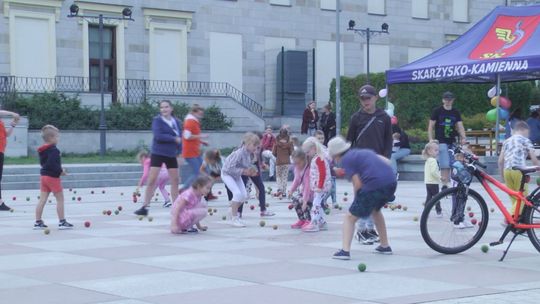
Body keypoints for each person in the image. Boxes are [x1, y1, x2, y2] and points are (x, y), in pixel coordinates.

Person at [329, 136, 396, 260]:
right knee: (376, 211)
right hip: (391, 182)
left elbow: (357, 183)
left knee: (349, 217)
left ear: (336, 155)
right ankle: (384, 246)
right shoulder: (362, 152)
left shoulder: (346, 160)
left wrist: (357, 203)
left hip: (374, 186)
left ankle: (345, 251)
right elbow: (387, 161)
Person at [346, 84, 392, 245]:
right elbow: (349, 142)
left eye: (368, 98)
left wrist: (386, 160)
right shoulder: (356, 118)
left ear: (375, 98)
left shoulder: (384, 117)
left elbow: (388, 141)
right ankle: (361, 230)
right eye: (362, 99)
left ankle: (370, 229)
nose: (366, 102)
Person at [134, 100, 182, 216]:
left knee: (175, 180)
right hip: (158, 153)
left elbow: (180, 138)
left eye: (166, 107)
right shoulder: (157, 121)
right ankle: (145, 207)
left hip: (171, 154)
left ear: (171, 108)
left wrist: (180, 152)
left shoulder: (177, 122)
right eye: (162, 107)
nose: (164, 109)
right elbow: (158, 135)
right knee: (152, 179)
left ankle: (176, 207)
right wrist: (173, 139)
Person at [34, 125, 73, 230]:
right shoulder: (54, 150)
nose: (58, 138)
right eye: (57, 136)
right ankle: (62, 222)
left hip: (44, 176)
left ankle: (38, 222)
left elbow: (44, 163)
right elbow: (53, 164)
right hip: (52, 178)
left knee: (42, 200)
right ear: (51, 138)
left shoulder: (42, 150)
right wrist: (61, 172)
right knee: (60, 199)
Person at [498, 121, 540, 217]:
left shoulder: (506, 141)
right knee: (523, 197)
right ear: (523, 130)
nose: (528, 135)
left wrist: (502, 177)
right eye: (528, 133)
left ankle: (516, 220)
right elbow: (534, 159)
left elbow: (500, 161)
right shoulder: (525, 140)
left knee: (514, 197)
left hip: (507, 171)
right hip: (519, 171)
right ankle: (509, 218)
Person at [428, 91, 467, 190]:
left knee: (453, 162)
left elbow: (460, 125)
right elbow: (431, 126)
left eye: (450, 99)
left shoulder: (455, 112)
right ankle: (444, 184)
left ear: (453, 100)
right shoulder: (437, 111)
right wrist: (431, 139)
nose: (448, 101)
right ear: (443, 100)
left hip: (452, 140)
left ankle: (451, 182)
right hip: (440, 140)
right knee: (444, 163)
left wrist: (463, 137)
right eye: (446, 99)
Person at [221, 132, 260, 227]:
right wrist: (244, 171)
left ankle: (232, 210)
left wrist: (251, 170)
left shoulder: (248, 154)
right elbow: (229, 168)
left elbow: (245, 166)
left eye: (257, 146)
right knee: (237, 194)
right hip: (227, 174)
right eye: (254, 145)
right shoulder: (238, 153)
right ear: (247, 144)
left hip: (235, 176)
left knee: (244, 195)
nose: (256, 148)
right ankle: (234, 218)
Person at [237, 131, 275, 217]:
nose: (260, 144)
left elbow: (258, 157)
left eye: (261, 141)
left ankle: (263, 210)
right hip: (244, 169)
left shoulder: (259, 147)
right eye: (259, 141)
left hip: (254, 169)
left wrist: (261, 164)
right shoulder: (244, 147)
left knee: (261, 187)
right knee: (242, 190)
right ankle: (239, 212)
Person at [301, 137, 331, 232]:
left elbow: (323, 174)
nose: (307, 154)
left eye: (307, 152)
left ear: (314, 148)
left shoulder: (319, 159)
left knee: (316, 204)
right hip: (319, 186)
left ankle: (314, 223)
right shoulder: (316, 158)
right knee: (317, 203)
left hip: (321, 186)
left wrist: (320, 186)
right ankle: (322, 223)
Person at [181, 104, 208, 191]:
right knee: (198, 172)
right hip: (190, 152)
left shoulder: (194, 121)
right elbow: (187, 136)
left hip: (194, 152)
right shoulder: (190, 121)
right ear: (193, 112)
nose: (201, 116)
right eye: (199, 114)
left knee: (205, 171)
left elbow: (192, 136)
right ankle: (184, 189)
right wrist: (201, 136)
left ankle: (207, 193)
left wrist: (202, 141)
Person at [0, 110, 19, 211]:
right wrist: (12, 114)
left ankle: (0, 203)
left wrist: (12, 125)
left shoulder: (1, 123)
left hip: (1, 151)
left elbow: (6, 135)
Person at [289, 149, 313, 229]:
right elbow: (296, 180)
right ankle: (302, 219)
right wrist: (291, 190)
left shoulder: (308, 170)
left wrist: (305, 200)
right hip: (304, 192)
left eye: (298, 163)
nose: (296, 165)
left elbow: (307, 186)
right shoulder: (297, 168)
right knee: (296, 201)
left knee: (304, 204)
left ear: (304, 160)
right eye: (294, 163)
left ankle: (308, 221)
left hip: (312, 192)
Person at [315, 130, 337, 206]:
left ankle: (325, 201)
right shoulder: (314, 149)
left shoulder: (325, 148)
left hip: (328, 172)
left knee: (330, 188)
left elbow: (330, 159)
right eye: (319, 138)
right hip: (318, 173)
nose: (321, 140)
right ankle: (321, 201)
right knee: (322, 189)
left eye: (322, 138)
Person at [272, 127, 293, 197]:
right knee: (284, 177)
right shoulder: (290, 142)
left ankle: (279, 189)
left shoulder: (276, 142)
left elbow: (273, 152)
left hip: (279, 162)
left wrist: (278, 155)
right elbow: (292, 152)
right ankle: (283, 192)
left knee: (278, 176)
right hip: (286, 161)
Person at [423, 141, 442, 217]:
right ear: (429, 152)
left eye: (438, 150)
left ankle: (426, 211)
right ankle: (439, 211)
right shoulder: (433, 161)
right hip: (433, 182)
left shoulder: (428, 160)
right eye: (436, 150)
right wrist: (440, 177)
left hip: (428, 182)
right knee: (437, 197)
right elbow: (434, 172)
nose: (437, 152)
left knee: (429, 197)